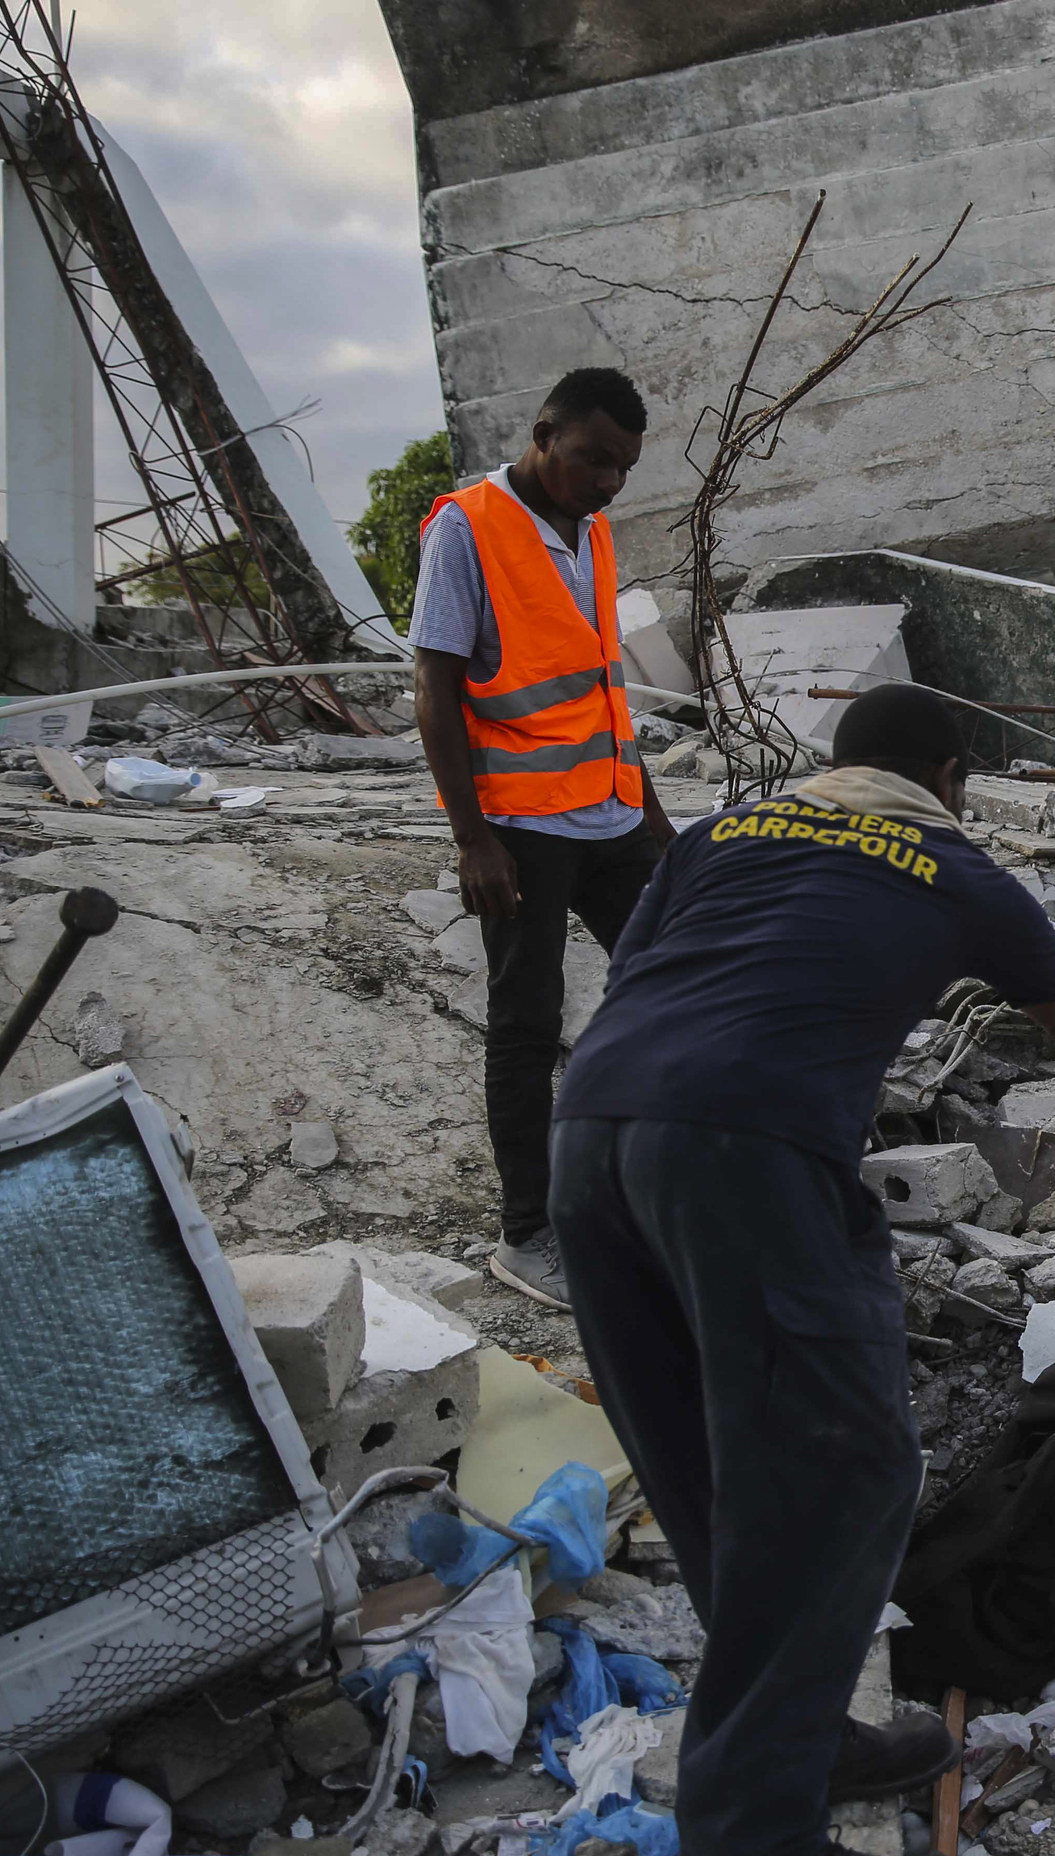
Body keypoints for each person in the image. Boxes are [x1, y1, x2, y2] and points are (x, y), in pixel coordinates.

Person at [546, 684, 1055, 1856]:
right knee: (844, 1469)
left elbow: (649, 975)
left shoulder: (716, 837)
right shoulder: (956, 866)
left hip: (591, 1137)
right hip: (748, 1147)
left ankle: (799, 1736)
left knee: (713, 1465)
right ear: (949, 774)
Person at [412, 365, 674, 1312]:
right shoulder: (466, 527)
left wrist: (654, 818)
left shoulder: (593, 532)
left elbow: (603, 689)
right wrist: (471, 838)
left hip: (610, 813)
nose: (607, 480)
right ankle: (528, 1234)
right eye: (593, 458)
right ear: (543, 430)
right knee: (525, 1021)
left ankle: (653, 1181)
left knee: (677, 984)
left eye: (623, 468)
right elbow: (436, 687)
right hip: (521, 827)